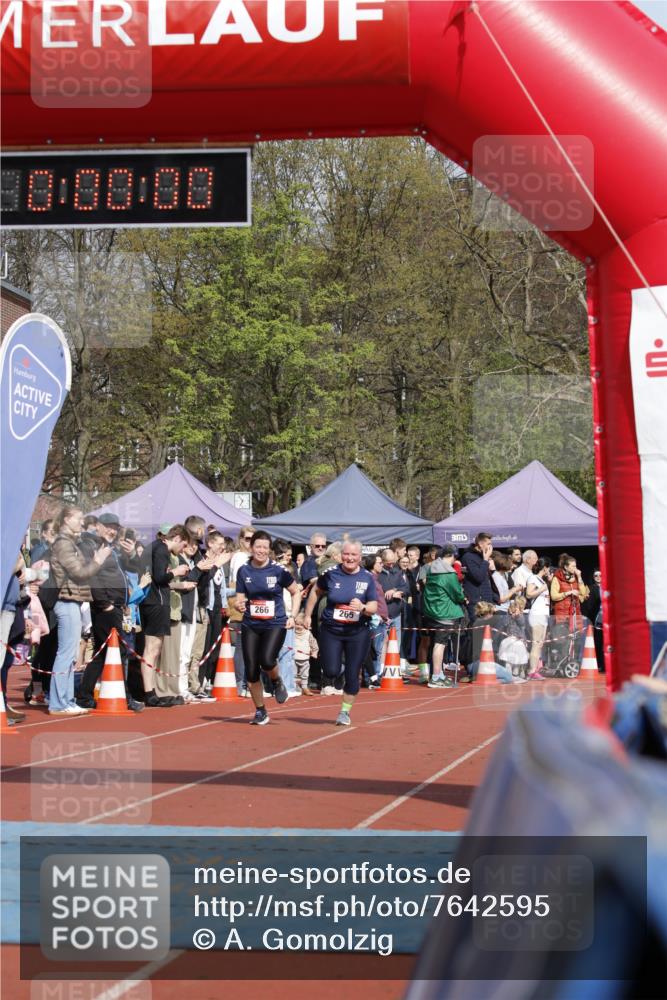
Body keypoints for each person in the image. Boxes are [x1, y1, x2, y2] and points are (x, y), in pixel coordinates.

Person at [303, 539, 378, 726]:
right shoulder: (331, 574)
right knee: (331, 670)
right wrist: (307, 615)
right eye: (346, 554)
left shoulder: (367, 577)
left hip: (357, 631)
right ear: (340, 555)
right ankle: (334, 669)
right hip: (332, 629)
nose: (350, 558)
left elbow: (373, 606)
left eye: (354, 555)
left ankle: (344, 712)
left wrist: (362, 607)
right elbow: (315, 592)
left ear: (360, 557)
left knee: (353, 674)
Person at [76, 512, 145, 712]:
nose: (112, 530)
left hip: (115, 606)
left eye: (115, 527)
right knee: (117, 650)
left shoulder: (112, 548)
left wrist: (132, 554)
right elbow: (91, 575)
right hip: (106, 607)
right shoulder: (90, 546)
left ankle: (85, 694)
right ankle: (122, 695)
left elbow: (132, 568)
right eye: (108, 526)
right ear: (98, 526)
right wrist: (103, 603)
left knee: (104, 652)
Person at [48, 506, 111, 715]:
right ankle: (59, 703)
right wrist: (98, 560)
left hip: (72, 599)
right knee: (66, 653)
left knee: (70, 653)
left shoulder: (69, 543)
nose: (81, 523)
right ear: (66, 519)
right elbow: (79, 573)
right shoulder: (64, 544)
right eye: (78, 518)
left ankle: (65, 700)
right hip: (66, 600)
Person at [235, 531, 301, 725]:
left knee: (267, 659)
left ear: (269, 550)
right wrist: (240, 604)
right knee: (252, 670)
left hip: (275, 622)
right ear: (251, 547)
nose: (261, 551)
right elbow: (240, 598)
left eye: (265, 547)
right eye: (258, 547)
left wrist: (293, 616)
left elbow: (296, 592)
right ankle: (260, 711)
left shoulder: (278, 570)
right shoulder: (244, 571)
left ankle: (276, 680)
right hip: (251, 623)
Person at [138, 524, 192, 706]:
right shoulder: (161, 550)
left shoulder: (154, 547)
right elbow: (160, 577)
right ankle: (149, 692)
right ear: (176, 539)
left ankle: (151, 691)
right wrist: (176, 572)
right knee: (152, 649)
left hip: (152, 602)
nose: (182, 550)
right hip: (156, 602)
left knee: (153, 649)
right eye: (183, 545)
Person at [421, 545, 467, 688]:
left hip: (431, 610)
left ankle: (438, 674)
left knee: (436, 644)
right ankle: (435, 676)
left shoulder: (430, 569)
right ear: (452, 556)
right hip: (444, 612)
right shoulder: (449, 573)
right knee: (440, 644)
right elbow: (457, 593)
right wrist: (463, 599)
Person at [550, 553, 589, 666]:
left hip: (575, 614)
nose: (575, 569)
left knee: (576, 641)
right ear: (566, 567)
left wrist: (580, 577)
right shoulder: (557, 578)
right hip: (562, 614)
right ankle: (561, 665)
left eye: (575, 566)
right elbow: (554, 596)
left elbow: (583, 592)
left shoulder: (576, 578)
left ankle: (573, 664)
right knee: (563, 641)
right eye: (572, 566)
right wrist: (568, 592)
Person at [379, 548, 410, 669]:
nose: (391, 565)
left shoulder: (397, 572)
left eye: (393, 562)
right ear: (382, 561)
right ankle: (381, 669)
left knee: (396, 643)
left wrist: (396, 591)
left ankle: (393, 669)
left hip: (396, 614)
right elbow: (376, 594)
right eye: (388, 563)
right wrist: (389, 595)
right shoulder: (377, 575)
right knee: (382, 644)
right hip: (383, 614)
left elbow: (406, 589)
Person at [362, 552, 389, 689]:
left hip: (381, 618)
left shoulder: (375, 578)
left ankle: (373, 676)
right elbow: (371, 599)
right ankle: (371, 678)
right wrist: (377, 616)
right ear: (372, 564)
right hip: (375, 619)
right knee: (374, 650)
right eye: (379, 562)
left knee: (376, 650)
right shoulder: (370, 579)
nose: (382, 565)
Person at [526, 557, 553, 678]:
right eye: (548, 568)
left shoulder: (542, 581)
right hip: (536, 614)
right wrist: (543, 588)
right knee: (536, 643)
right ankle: (532, 671)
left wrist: (548, 583)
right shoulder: (533, 578)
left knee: (540, 644)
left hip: (543, 615)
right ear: (545, 568)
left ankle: (535, 668)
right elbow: (529, 594)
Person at [461, 533, 494, 619]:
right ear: (480, 544)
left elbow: (486, 580)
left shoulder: (482, 557)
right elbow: (478, 577)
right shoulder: (468, 557)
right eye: (488, 544)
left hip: (487, 602)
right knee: (477, 630)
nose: (491, 547)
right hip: (477, 603)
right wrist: (486, 560)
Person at [492, 550, 524, 614]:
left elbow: (505, 592)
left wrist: (515, 588)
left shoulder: (503, 575)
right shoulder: (496, 577)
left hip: (506, 609)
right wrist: (514, 590)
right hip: (500, 610)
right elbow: (501, 599)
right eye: (510, 564)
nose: (512, 566)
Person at [294, 612, 318, 696]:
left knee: (305, 674)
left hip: (305, 658)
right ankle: (295, 687)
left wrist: (315, 652)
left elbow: (313, 643)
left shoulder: (308, 633)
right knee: (293, 674)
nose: (298, 626)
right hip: (293, 658)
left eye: (301, 625)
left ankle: (304, 687)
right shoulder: (291, 633)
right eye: (296, 624)